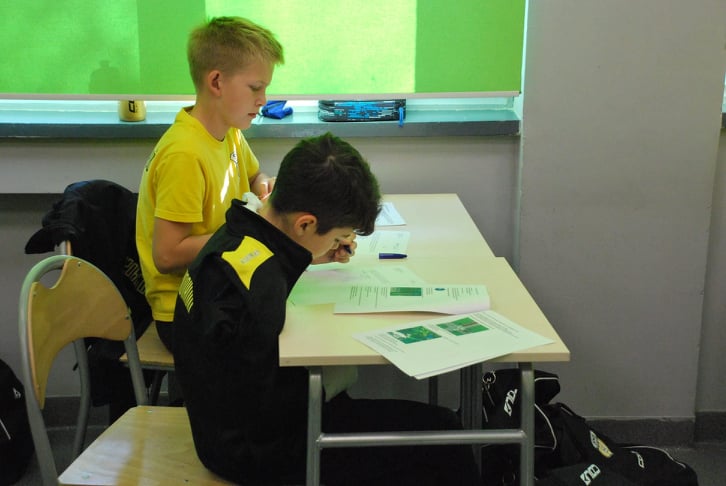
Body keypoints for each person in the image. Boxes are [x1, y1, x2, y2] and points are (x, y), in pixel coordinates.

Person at [173, 132, 481, 485]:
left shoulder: (238, 232)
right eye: (336, 237)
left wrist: (312, 255)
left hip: (219, 432)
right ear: (305, 223)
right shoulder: (261, 288)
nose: (339, 245)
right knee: (446, 437)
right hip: (263, 454)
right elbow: (276, 401)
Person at [136, 17, 356, 353]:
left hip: (223, 286)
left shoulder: (229, 132)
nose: (263, 99)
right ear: (216, 82)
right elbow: (166, 255)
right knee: (304, 344)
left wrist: (267, 191)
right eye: (255, 88)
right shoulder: (184, 155)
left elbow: (255, 178)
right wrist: (264, 235)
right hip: (188, 311)